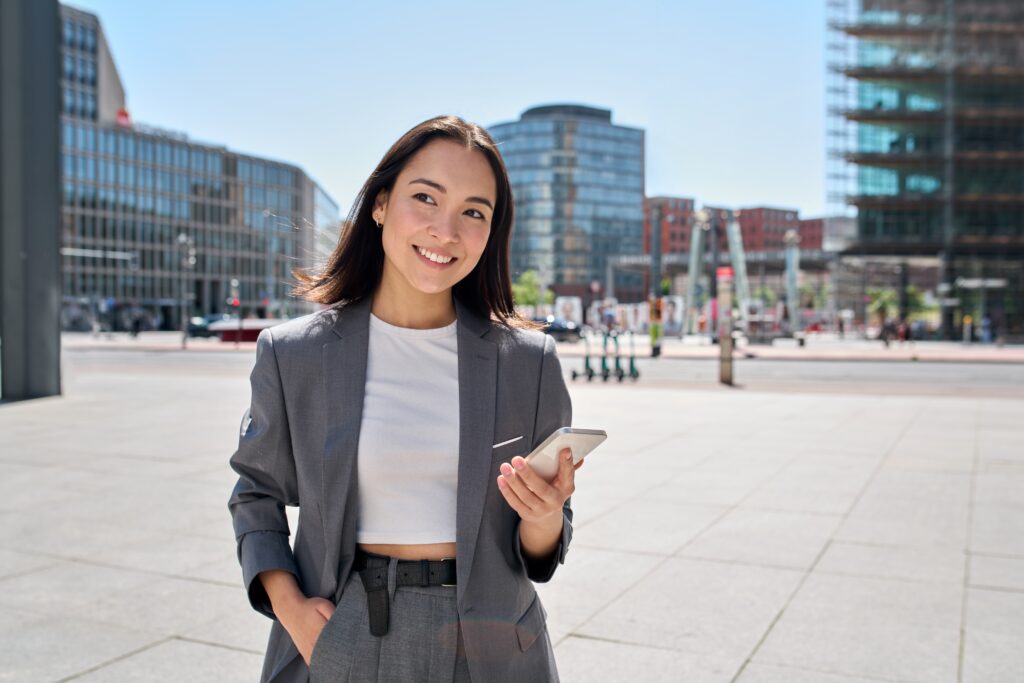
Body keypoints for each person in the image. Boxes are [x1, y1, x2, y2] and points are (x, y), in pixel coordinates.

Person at [228, 115, 583, 683]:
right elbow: (256, 495)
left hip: (491, 645)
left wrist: (541, 517)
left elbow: (542, 544)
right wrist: (292, 610)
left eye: (474, 211)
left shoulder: (528, 362)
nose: (447, 230)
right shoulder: (293, 354)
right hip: (341, 627)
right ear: (380, 204)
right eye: (426, 198)